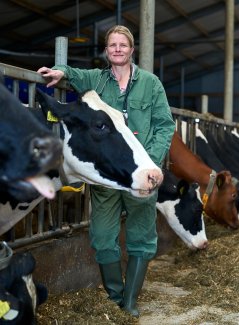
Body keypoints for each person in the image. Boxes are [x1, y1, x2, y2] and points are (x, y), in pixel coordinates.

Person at [37, 25, 175, 318]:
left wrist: (150, 161)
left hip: (140, 175)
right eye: (112, 45)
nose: (117, 49)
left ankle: (131, 302)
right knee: (101, 236)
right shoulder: (96, 80)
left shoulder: (151, 84)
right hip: (108, 178)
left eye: (122, 45)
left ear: (132, 49)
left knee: (141, 236)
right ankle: (114, 298)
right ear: (106, 50)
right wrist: (59, 71)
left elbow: (166, 125)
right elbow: (71, 74)